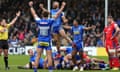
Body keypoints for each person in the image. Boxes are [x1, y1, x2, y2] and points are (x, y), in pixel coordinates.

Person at [29, 1, 66, 72]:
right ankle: (50, 70)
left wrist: (31, 6)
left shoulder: (39, 21)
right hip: (47, 41)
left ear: (42, 15)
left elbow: (34, 14)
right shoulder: (50, 21)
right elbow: (58, 14)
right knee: (49, 56)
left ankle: (35, 70)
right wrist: (62, 7)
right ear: (47, 15)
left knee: (38, 56)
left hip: (40, 40)